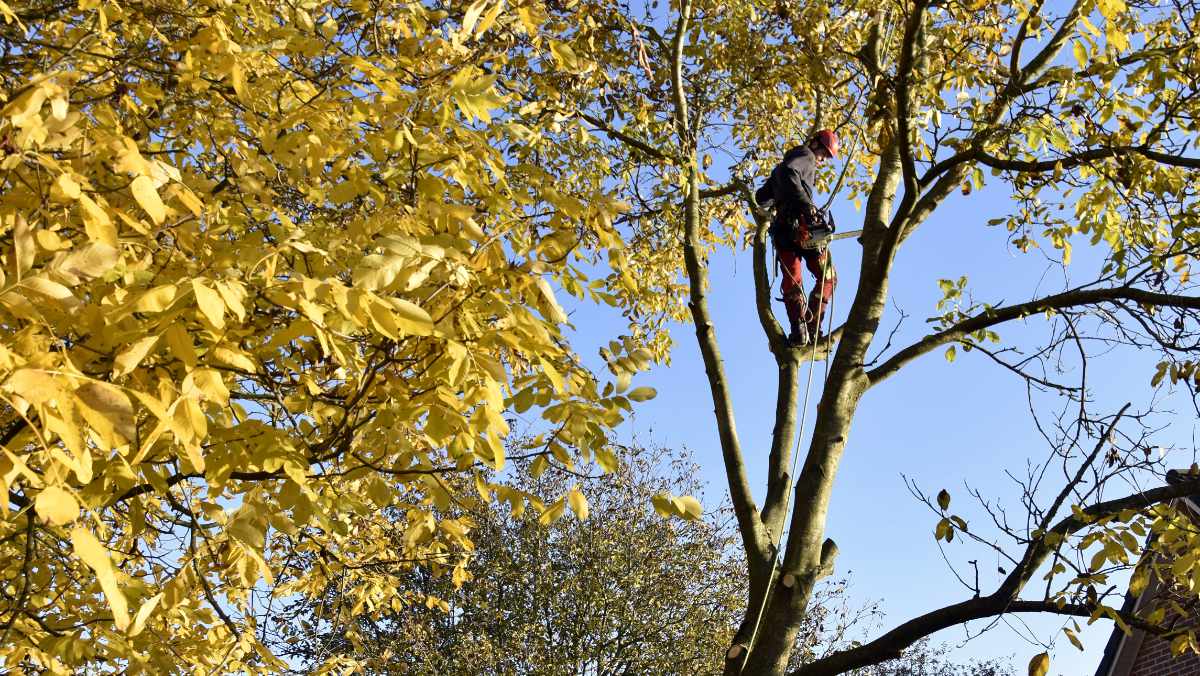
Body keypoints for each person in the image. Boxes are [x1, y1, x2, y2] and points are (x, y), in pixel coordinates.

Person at [759, 129, 839, 346]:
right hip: (803, 228)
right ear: (815, 145)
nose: (821, 161)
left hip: (784, 233)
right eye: (824, 155)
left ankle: (800, 329)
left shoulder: (779, 172)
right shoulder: (806, 155)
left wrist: (778, 200)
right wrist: (806, 205)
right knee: (829, 277)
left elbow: (761, 198)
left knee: (793, 280)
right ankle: (812, 326)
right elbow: (789, 171)